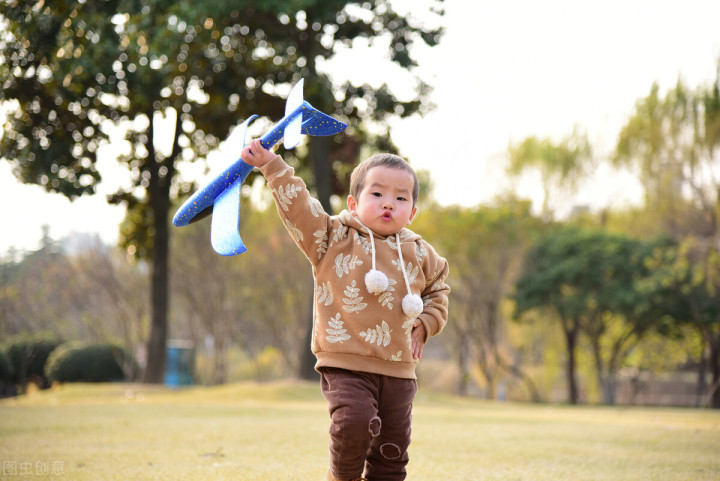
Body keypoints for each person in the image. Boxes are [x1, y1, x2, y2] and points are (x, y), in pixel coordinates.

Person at [241, 139, 450, 481]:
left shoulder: (421, 252)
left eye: (401, 198)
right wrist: (271, 165)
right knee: (354, 423)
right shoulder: (331, 237)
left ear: (412, 211)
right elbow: (299, 209)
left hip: (399, 369)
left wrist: (427, 322)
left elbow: (439, 288)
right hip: (345, 362)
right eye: (377, 194)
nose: (389, 204)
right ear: (354, 203)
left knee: (391, 454)